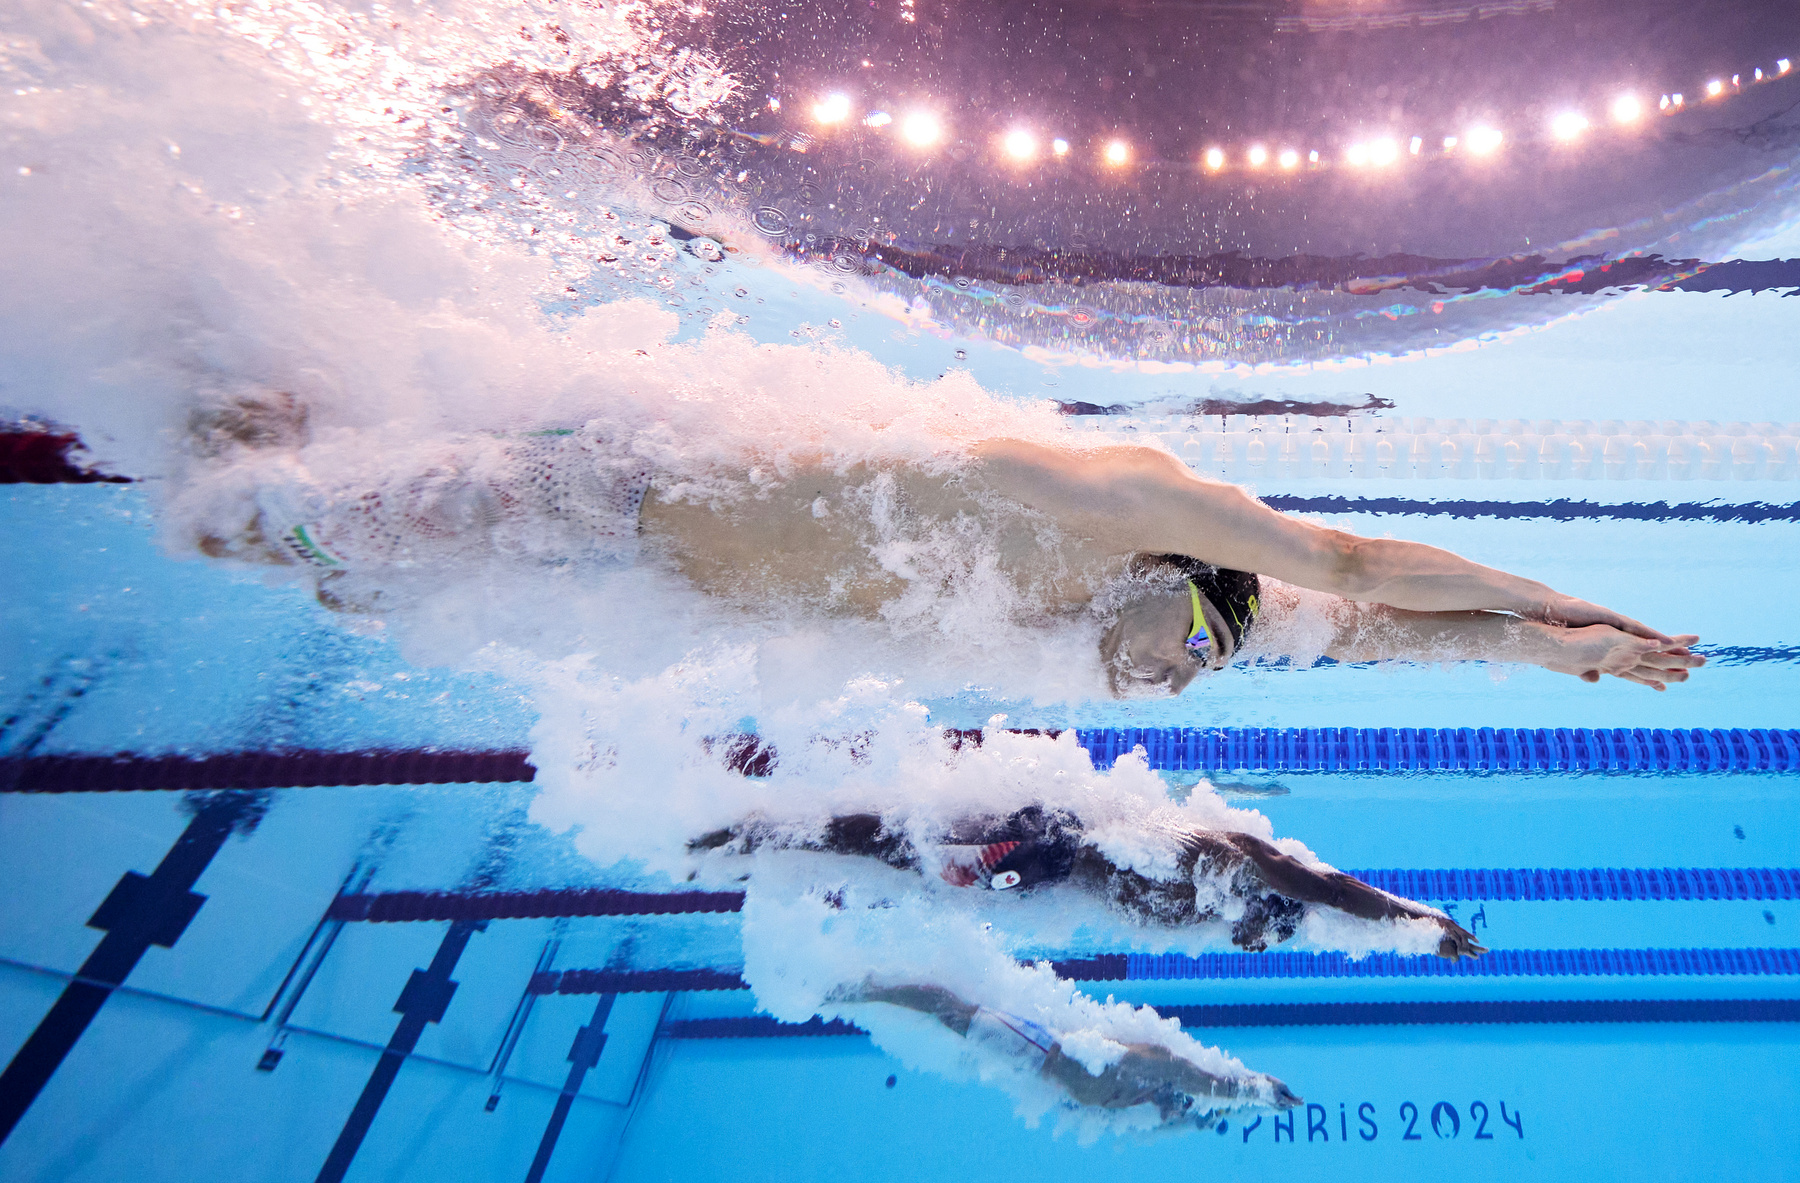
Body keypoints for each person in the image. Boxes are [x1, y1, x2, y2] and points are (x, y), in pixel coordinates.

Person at [181, 397, 1703, 695]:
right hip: (613, 495)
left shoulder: (1126, 617)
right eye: (1187, 664)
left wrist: (1533, 652)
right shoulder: (1130, 505)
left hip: (617, 564)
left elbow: (1353, 633)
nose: (1161, 696)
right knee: (236, 514)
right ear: (1190, 585)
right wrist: (1562, 592)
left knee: (309, 559)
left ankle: (254, 413)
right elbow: (1353, 573)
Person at [692, 803, 1486, 959]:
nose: (1249, 946)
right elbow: (1338, 889)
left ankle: (774, 839)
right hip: (1051, 843)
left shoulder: (1202, 920)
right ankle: (763, 829)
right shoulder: (1240, 860)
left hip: (1044, 869)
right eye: (1263, 935)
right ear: (1270, 906)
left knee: (913, 861)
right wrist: (1419, 921)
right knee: (913, 852)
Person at [827, 979, 1301, 1127]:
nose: (1172, 1111)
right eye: (1178, 1103)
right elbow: (1214, 1085)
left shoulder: (1134, 1102)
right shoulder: (1157, 1067)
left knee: (953, 1022)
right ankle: (869, 988)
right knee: (952, 1014)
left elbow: (1201, 1108)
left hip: (1036, 1065)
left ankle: (871, 991)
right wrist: (1259, 1089)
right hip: (1038, 1048)